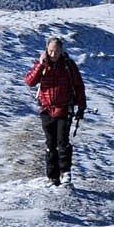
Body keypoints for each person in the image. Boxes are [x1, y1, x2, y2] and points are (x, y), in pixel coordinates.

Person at [24, 37, 86, 186]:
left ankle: (65, 172)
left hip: (65, 108)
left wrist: (82, 106)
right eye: (51, 51)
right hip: (46, 109)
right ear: (46, 49)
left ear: (62, 50)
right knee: (50, 144)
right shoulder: (42, 65)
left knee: (62, 142)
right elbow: (30, 82)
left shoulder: (69, 66)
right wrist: (40, 65)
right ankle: (52, 176)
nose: (53, 54)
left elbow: (78, 85)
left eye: (57, 51)